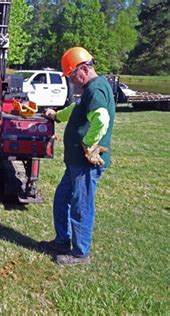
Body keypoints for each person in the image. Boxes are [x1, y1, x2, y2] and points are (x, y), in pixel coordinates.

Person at [39, 47, 115, 265]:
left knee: (81, 205)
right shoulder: (90, 89)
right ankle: (63, 240)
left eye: (72, 76)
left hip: (85, 164)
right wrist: (57, 115)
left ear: (83, 69)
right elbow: (77, 108)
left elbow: (101, 118)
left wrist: (89, 145)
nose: (71, 81)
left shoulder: (96, 89)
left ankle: (80, 253)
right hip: (76, 163)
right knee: (62, 198)